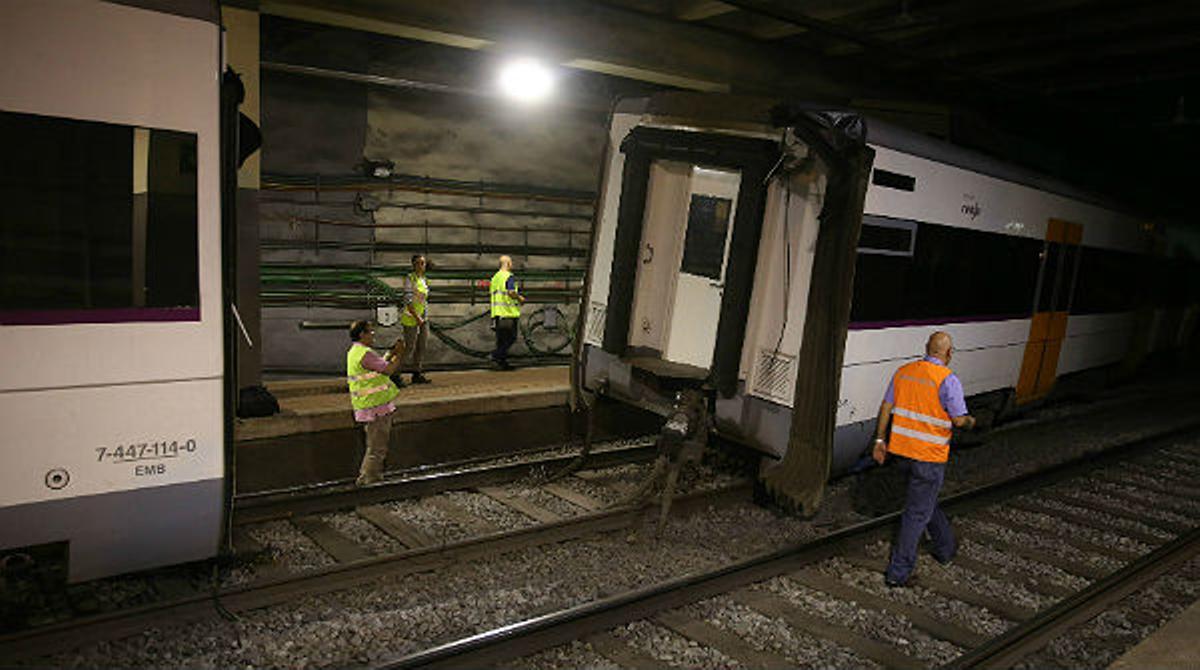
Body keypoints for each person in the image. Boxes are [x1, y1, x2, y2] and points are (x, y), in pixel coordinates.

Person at [871, 331, 976, 587]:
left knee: (925, 501)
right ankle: (898, 573)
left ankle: (946, 548)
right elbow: (959, 419)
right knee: (916, 513)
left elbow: (886, 406)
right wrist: (972, 422)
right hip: (928, 457)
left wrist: (879, 440)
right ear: (949, 353)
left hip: (902, 454)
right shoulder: (948, 380)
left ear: (927, 348)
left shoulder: (904, 371)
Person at [346, 320, 405, 486]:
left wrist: (390, 353)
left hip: (367, 407)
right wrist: (399, 354)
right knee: (376, 447)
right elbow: (388, 370)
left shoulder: (356, 352)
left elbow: (379, 365)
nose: (373, 335)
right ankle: (368, 479)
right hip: (376, 408)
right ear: (362, 334)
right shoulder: (365, 354)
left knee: (374, 445)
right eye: (370, 332)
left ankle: (373, 477)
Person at [398, 254, 431, 385]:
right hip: (411, 318)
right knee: (409, 347)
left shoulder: (424, 279)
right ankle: (395, 374)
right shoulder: (410, 278)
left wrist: (424, 317)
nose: (421, 265)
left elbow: (424, 301)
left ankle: (417, 373)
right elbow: (408, 300)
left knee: (421, 346)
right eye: (418, 263)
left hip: (423, 318)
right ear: (413, 265)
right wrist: (417, 317)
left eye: (423, 263)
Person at [489, 255, 525, 370]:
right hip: (508, 313)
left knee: (501, 340)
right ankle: (496, 355)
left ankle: (502, 363)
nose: (512, 265)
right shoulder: (508, 276)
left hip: (497, 314)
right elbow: (510, 292)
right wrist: (520, 298)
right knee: (511, 338)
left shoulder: (494, 278)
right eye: (511, 262)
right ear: (508, 264)